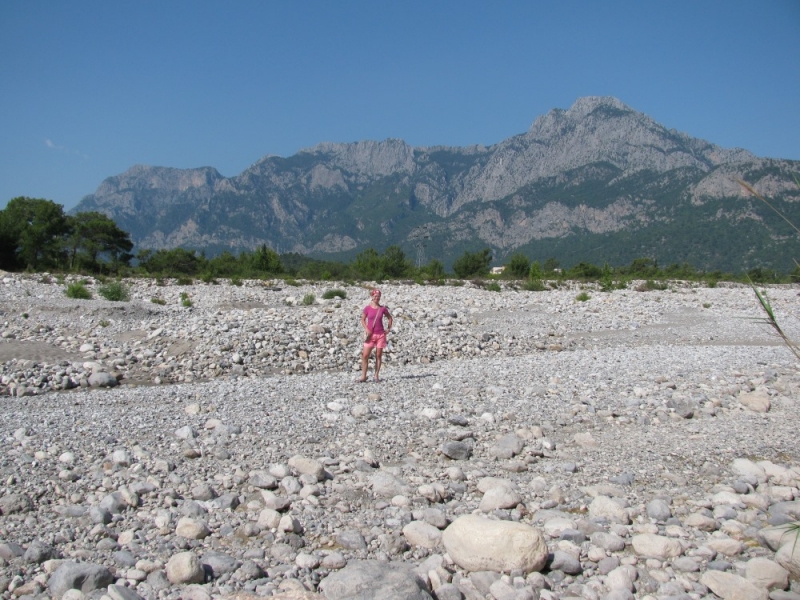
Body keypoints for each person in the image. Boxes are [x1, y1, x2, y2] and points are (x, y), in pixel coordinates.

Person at [360, 288, 392, 382]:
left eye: (378, 296)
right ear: (372, 297)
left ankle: (376, 375)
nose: (377, 298)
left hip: (381, 334)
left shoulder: (382, 309)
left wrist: (388, 329)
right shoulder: (367, 308)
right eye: (375, 296)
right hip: (370, 335)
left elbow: (390, 318)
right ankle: (363, 376)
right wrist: (366, 329)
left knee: (378, 355)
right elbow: (362, 319)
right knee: (365, 355)